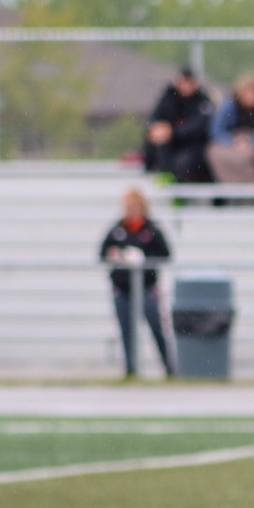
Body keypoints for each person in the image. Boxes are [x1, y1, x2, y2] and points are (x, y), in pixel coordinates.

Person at [99, 188, 174, 379]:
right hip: (123, 288)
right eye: (128, 206)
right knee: (126, 330)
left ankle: (169, 368)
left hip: (147, 287)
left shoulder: (151, 229)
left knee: (156, 327)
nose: (131, 210)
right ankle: (130, 370)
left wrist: (143, 259)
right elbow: (103, 252)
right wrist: (115, 255)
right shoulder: (117, 229)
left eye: (134, 206)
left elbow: (165, 254)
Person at [208, 74, 254, 194]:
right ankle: (222, 202)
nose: (250, 98)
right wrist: (234, 141)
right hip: (230, 149)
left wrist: (251, 140)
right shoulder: (228, 105)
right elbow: (216, 131)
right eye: (247, 93)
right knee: (216, 160)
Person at [142, 68, 213, 184]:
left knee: (183, 163)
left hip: (193, 146)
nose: (186, 86)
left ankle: (176, 192)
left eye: (189, 82)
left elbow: (198, 127)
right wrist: (155, 128)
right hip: (170, 144)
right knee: (159, 145)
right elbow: (155, 117)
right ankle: (165, 179)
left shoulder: (202, 102)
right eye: (183, 82)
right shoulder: (168, 98)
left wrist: (173, 133)